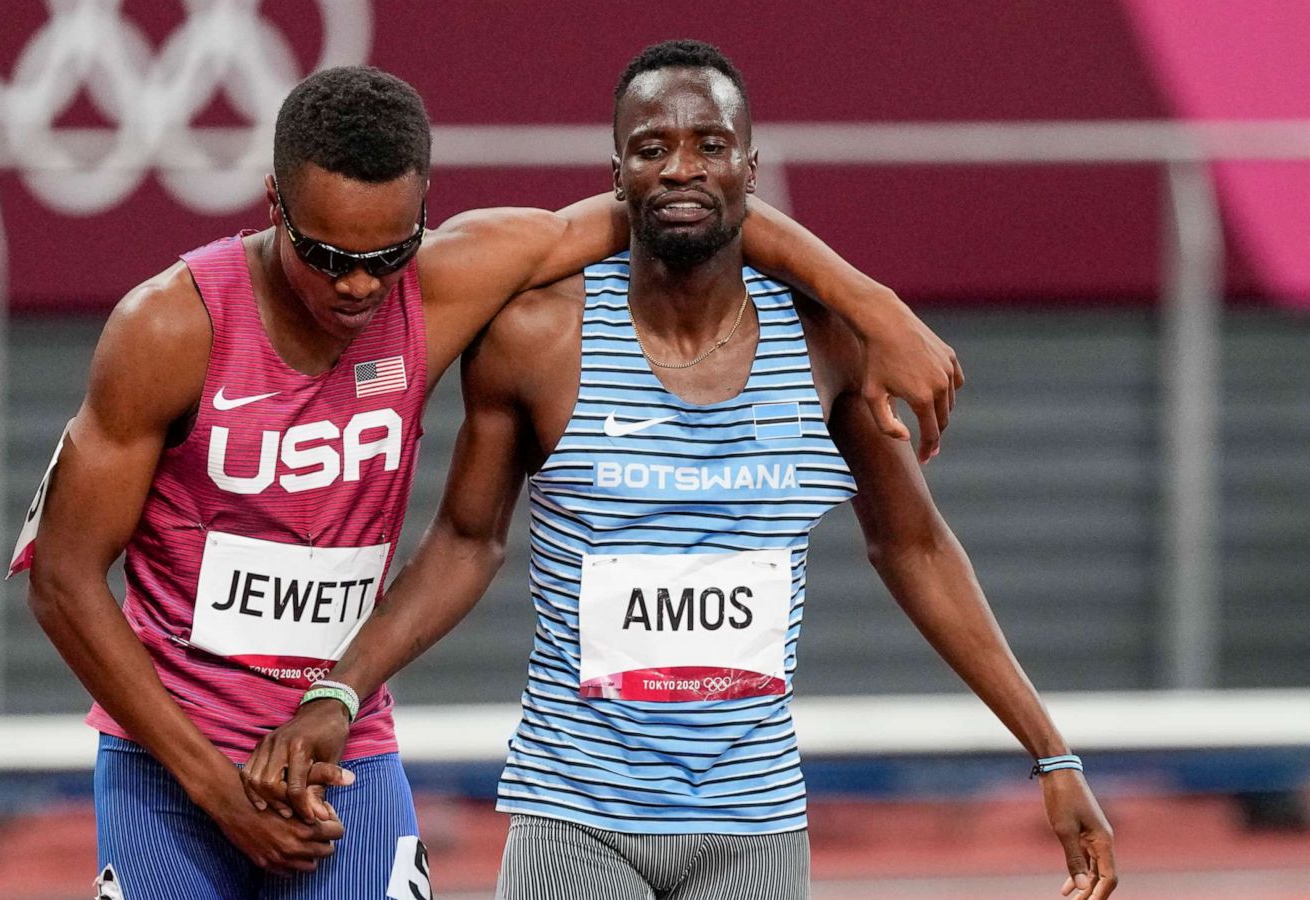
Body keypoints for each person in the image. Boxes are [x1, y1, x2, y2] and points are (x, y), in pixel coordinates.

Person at [14, 64, 962, 900]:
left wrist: (874, 306)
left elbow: (684, 202)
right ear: (273, 204)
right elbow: (62, 580)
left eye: (385, 256)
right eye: (328, 257)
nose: (356, 289)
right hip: (169, 761)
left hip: (343, 744)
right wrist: (220, 794)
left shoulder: (441, 285)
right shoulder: (169, 329)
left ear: (423, 219)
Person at [245, 43, 1116, 900]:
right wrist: (341, 688)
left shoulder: (828, 345)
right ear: (617, 173)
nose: (681, 169)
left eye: (711, 146)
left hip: (754, 833)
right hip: (572, 820)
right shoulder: (538, 338)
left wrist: (1051, 750)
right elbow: (467, 542)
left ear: (751, 166)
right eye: (652, 148)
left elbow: (916, 549)